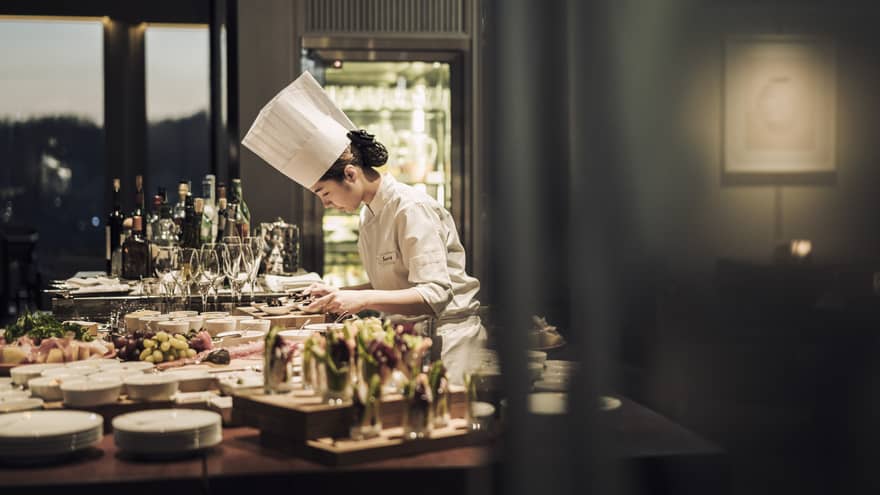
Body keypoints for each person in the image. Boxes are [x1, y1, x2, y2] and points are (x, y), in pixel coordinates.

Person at [242, 71, 485, 383]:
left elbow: (434, 293)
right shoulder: (369, 215)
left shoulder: (411, 208)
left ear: (351, 174)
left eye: (324, 192)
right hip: (410, 341)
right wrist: (340, 292)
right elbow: (396, 285)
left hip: (448, 346)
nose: (325, 204)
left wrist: (360, 300)